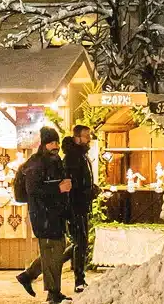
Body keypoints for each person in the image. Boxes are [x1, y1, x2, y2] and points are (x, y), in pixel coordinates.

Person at [14, 127, 72, 303]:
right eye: (51, 143)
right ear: (44, 144)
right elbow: (33, 190)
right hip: (43, 216)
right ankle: (53, 293)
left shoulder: (55, 161)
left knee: (57, 250)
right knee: (52, 251)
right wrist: (58, 188)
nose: (55, 146)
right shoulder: (36, 163)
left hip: (55, 214)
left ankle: (29, 275)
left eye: (56, 142)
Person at [62, 125, 98, 293]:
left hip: (81, 205)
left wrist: (91, 188)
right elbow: (72, 184)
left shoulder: (81, 155)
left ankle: (34, 271)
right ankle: (79, 280)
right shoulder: (72, 157)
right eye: (85, 136)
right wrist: (89, 191)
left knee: (79, 242)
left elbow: (82, 181)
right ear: (77, 137)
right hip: (75, 206)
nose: (88, 139)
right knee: (80, 242)